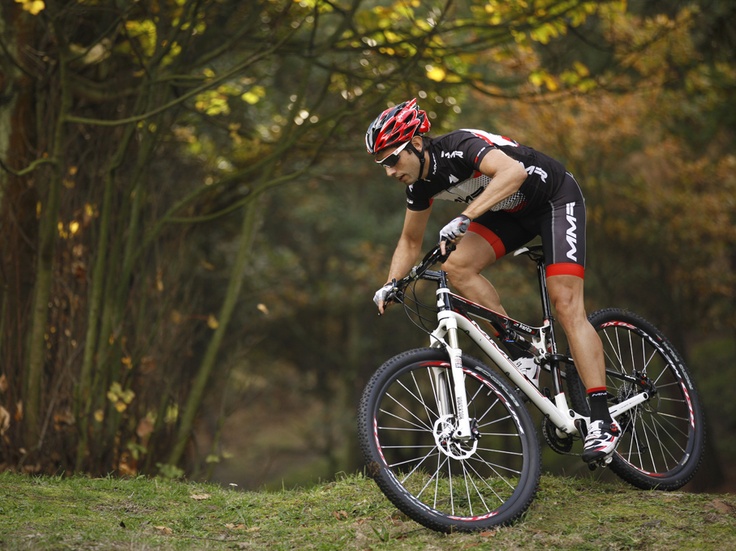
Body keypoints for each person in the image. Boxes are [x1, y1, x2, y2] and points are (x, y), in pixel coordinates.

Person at [365, 98, 620, 464]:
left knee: (565, 304)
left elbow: (513, 173)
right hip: (510, 212)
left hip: (554, 200)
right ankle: (517, 348)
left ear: (417, 143)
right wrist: (392, 282)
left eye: (392, 159)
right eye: (382, 164)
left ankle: (602, 419)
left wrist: (466, 216)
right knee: (454, 266)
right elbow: (409, 241)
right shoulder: (418, 186)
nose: (389, 170)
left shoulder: (459, 147)